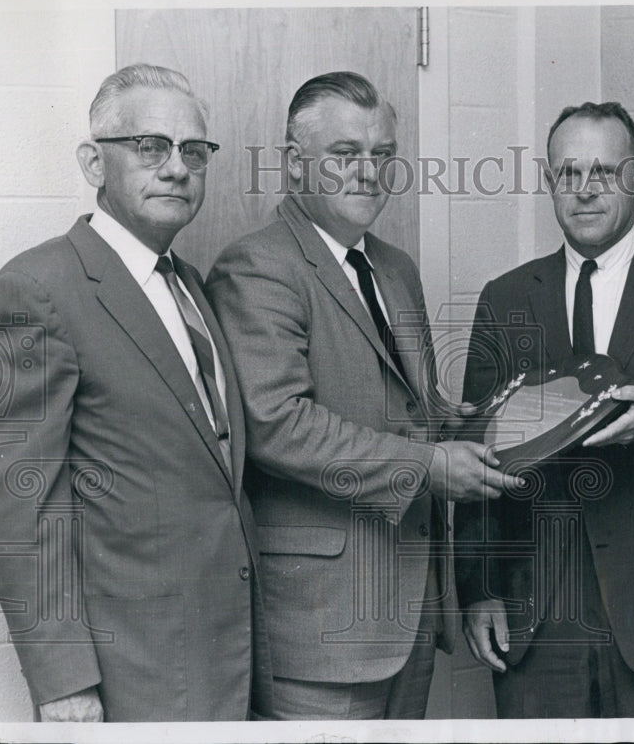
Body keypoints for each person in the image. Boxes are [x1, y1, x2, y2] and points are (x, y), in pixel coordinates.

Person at [206, 71, 519, 720]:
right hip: (322, 631)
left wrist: (452, 421)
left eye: (382, 156)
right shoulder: (258, 266)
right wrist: (431, 465)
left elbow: (397, 404)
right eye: (345, 155)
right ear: (295, 164)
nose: (368, 174)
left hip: (411, 618)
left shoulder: (394, 267)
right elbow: (277, 425)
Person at [454, 101, 634, 717]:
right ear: (549, 182)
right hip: (537, 618)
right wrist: (478, 590)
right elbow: (475, 454)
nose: (585, 191)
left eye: (605, 173)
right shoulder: (506, 297)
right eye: (568, 173)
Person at [0, 64, 271, 721]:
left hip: (225, 652)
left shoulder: (192, 286)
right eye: (151, 147)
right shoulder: (41, 286)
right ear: (94, 162)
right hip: (136, 669)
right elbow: (26, 502)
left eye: (194, 151)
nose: (177, 168)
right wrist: (64, 682)